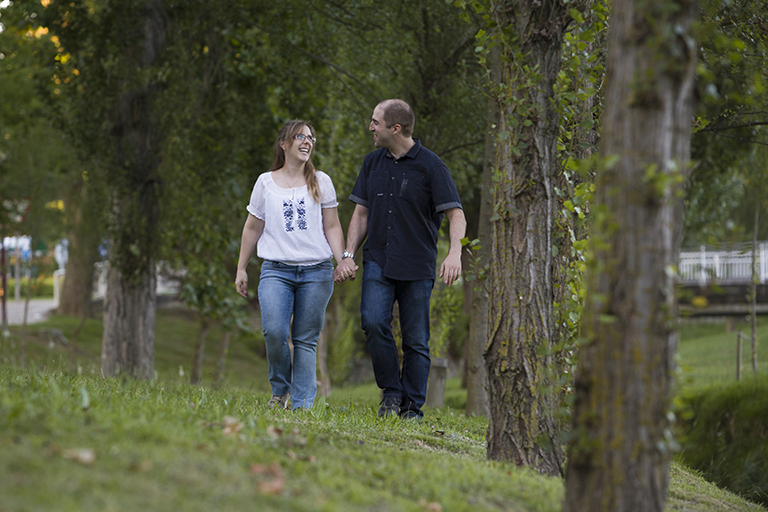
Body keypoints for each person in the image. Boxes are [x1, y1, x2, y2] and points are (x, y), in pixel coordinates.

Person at [334, 99, 466, 420]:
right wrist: (348, 255)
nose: (370, 127)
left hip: (418, 264)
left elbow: (456, 214)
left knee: (416, 340)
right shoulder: (372, 163)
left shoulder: (432, 166)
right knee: (373, 322)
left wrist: (455, 253)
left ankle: (412, 410)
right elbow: (361, 214)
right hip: (378, 258)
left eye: (375, 122)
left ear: (395, 128)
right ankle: (391, 393)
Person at [236, 120, 346, 411]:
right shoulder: (265, 183)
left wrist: (343, 259)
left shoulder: (321, 181)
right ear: (283, 144)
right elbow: (252, 228)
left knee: (305, 339)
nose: (307, 141)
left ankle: (302, 405)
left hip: (317, 272)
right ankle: (280, 390)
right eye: (300, 136)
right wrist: (241, 268)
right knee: (274, 332)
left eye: (311, 137)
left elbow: (332, 226)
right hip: (276, 271)